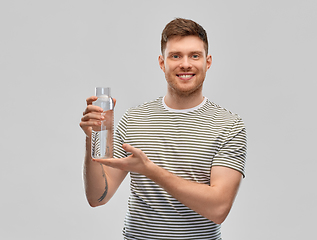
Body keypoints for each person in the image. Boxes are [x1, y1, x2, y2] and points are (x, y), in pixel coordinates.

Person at [80, 18, 247, 240]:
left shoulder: (229, 126)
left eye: (194, 56)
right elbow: (97, 197)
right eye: (175, 56)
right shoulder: (134, 119)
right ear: (162, 62)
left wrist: (150, 170)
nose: (185, 64)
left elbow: (218, 209)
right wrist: (93, 140)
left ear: (208, 62)